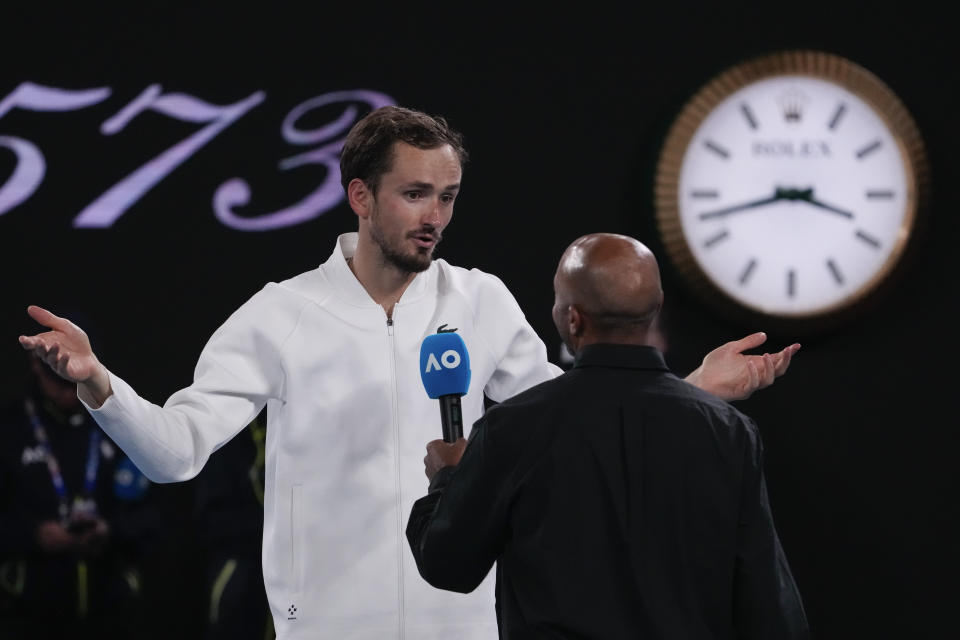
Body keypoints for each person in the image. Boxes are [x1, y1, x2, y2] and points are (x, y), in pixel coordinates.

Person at [18, 106, 799, 638]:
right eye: (415, 194)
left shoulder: (481, 301)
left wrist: (686, 393)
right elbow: (174, 452)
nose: (434, 217)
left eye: (448, 197)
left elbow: (570, 432)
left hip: (466, 626)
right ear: (360, 195)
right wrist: (96, 380)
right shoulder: (280, 313)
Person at [407, 233, 810, 639]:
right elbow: (769, 603)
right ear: (655, 309)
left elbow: (449, 566)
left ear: (573, 319)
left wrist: (447, 479)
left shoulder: (513, 428)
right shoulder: (728, 431)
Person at [1, 323, 161, 640]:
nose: (64, 391)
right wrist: (34, 536)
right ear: (36, 364)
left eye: (71, 381)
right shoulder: (9, 429)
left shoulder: (118, 425)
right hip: (27, 617)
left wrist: (110, 531)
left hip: (111, 616)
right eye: (56, 379)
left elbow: (153, 516)